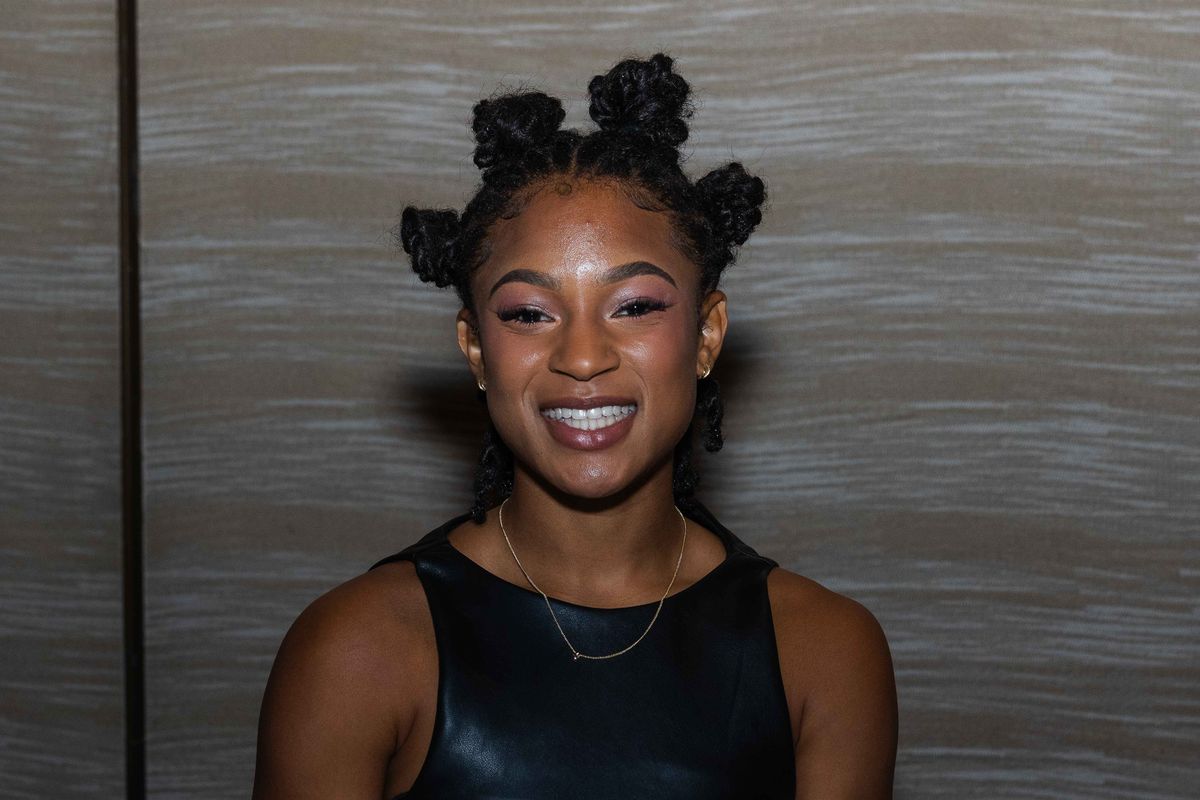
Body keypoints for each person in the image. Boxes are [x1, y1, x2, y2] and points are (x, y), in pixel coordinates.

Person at [252, 52, 897, 799]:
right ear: (475, 348)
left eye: (635, 307)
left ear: (707, 335)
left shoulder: (823, 651)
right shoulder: (358, 650)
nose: (582, 357)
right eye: (529, 313)